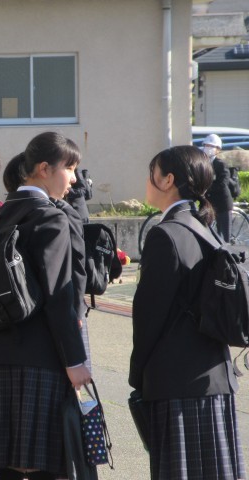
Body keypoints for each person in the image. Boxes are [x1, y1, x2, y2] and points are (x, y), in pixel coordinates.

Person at [0, 132, 91, 480]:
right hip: (42, 356)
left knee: (8, 465)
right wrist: (75, 360)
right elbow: (59, 296)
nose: (74, 179)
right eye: (69, 169)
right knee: (42, 465)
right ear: (44, 169)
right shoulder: (51, 218)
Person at [129, 145, 245, 480]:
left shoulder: (165, 235)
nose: (147, 181)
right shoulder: (205, 227)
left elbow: (148, 318)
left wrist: (137, 376)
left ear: (168, 180)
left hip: (176, 384)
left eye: (152, 173)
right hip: (215, 376)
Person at [3, 153, 91, 370]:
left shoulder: (0, 215)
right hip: (49, 335)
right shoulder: (56, 214)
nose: (73, 179)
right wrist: (77, 309)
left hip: (3, 340)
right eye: (69, 169)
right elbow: (73, 269)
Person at [202, 134, 233, 242]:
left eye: (211, 146)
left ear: (218, 150)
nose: (208, 148)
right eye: (206, 145)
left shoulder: (221, 164)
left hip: (223, 204)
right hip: (210, 204)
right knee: (208, 232)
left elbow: (223, 183)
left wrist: (207, 188)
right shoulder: (205, 163)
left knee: (225, 237)